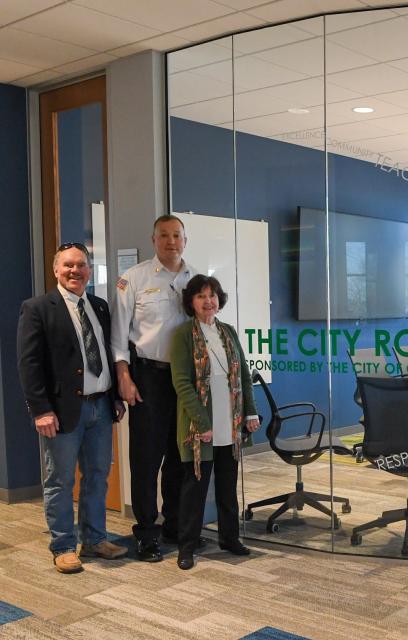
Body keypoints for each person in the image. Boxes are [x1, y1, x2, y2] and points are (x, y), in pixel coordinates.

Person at [16, 243, 128, 573]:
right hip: (62, 411)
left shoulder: (99, 306)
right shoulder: (37, 308)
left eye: (81, 265)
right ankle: (63, 545)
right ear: (55, 270)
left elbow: (105, 355)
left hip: (101, 408)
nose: (74, 271)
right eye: (68, 265)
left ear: (89, 271)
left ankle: (94, 540)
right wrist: (40, 409)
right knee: (60, 481)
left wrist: (116, 398)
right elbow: (29, 364)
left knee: (98, 477)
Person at [111, 214, 197, 562]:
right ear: (153, 239)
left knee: (179, 458)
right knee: (146, 459)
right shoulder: (134, 279)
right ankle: (147, 533)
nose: (171, 241)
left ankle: (175, 527)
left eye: (177, 235)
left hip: (186, 379)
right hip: (148, 377)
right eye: (164, 235)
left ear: (184, 240)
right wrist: (124, 377)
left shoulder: (196, 279)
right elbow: (118, 335)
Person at [170, 274, 260, 570]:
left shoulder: (229, 332)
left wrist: (250, 412)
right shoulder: (183, 334)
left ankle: (229, 538)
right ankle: (187, 545)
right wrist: (201, 423)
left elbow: (244, 375)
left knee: (226, 485)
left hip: (230, 422)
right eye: (200, 296)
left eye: (212, 295)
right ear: (191, 302)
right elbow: (182, 383)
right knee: (194, 490)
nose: (208, 301)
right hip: (200, 427)